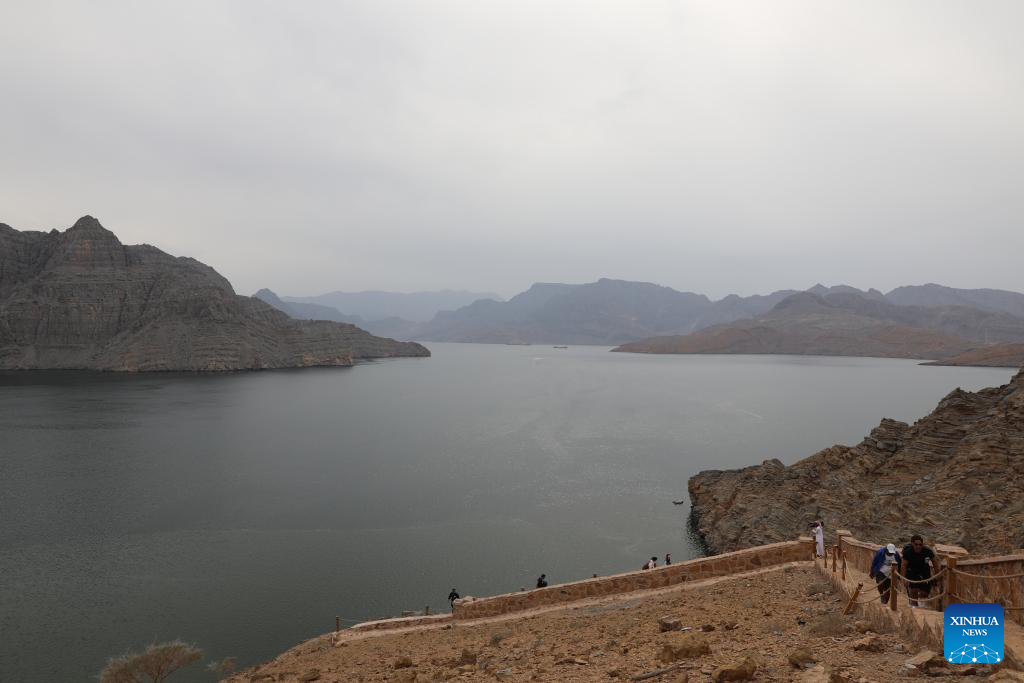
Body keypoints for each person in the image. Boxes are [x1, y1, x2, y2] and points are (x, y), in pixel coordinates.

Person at [901, 534, 936, 608]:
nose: (918, 546)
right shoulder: (908, 552)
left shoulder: (927, 551)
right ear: (912, 544)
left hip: (925, 572)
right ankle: (914, 606)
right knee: (914, 589)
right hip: (912, 572)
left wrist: (937, 575)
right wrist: (903, 578)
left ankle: (916, 602)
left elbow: (935, 562)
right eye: (916, 544)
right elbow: (904, 565)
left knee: (925, 593)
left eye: (920, 544)